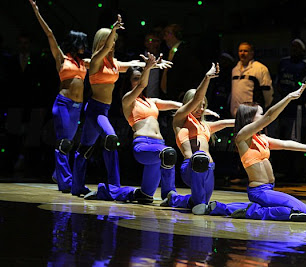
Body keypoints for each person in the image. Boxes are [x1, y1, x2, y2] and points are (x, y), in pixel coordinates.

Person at [74, 15, 171, 201]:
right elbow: (102, 50)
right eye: (108, 42)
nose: (111, 45)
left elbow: (134, 65)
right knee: (111, 140)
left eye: (113, 42)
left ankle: (76, 186)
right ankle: (114, 187)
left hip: (104, 110)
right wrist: (114, 29)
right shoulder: (94, 61)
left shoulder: (114, 64)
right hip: (94, 109)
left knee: (84, 149)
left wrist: (152, 64)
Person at [228, 82, 306, 221]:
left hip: (268, 189)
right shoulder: (242, 137)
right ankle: (251, 212)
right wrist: (289, 97)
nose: (262, 116)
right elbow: (270, 116)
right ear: (250, 117)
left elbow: (286, 144)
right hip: (259, 192)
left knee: (295, 210)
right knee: (303, 210)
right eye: (260, 113)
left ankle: (248, 210)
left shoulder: (262, 138)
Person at [121, 56, 220, 204]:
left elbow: (179, 105)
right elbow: (142, 85)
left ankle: (121, 192)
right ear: (129, 81)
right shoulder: (127, 100)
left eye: (139, 78)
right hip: (144, 145)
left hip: (159, 145)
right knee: (169, 153)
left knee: (145, 196)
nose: (139, 81)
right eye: (135, 78)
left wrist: (200, 110)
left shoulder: (151, 102)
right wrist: (148, 68)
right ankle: (169, 195)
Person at [161, 63, 236, 215]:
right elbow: (196, 99)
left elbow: (229, 123)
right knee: (200, 204)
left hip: (209, 168)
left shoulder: (206, 126)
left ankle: (174, 199)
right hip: (191, 166)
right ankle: (184, 200)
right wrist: (207, 78)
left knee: (199, 202)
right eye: (197, 106)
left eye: (203, 106)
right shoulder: (180, 119)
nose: (200, 109)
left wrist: (258, 121)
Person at [29, 0, 88, 191]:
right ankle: (66, 182)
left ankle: (58, 174)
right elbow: (50, 34)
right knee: (63, 142)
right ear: (75, 43)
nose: (84, 47)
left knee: (68, 144)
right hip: (63, 103)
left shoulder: (83, 62)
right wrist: (37, 12)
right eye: (82, 44)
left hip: (77, 107)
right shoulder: (62, 58)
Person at [275, 38, 306, 179]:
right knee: (281, 137)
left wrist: (302, 88)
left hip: (297, 109)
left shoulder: (305, 65)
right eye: (292, 47)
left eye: (297, 47)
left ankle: (296, 172)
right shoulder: (283, 62)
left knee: (296, 138)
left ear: (303, 50)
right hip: (284, 105)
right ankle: (283, 170)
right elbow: (277, 80)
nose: (294, 50)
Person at [230, 42, 273, 118]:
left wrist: (262, 108)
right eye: (240, 51)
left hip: (253, 114)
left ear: (252, 53)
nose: (242, 53)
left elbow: (268, 94)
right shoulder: (235, 70)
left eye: (245, 51)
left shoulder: (260, 68)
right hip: (236, 114)